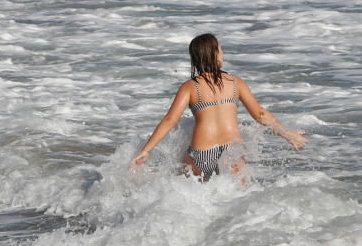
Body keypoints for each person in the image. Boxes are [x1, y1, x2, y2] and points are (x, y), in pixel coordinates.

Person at [131, 33, 306, 179]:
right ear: (214, 54)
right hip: (232, 153)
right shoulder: (236, 82)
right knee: (236, 200)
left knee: (183, 192)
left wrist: (146, 151)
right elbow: (260, 114)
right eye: (220, 49)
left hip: (201, 152)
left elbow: (170, 120)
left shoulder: (190, 87)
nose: (223, 53)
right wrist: (286, 133)